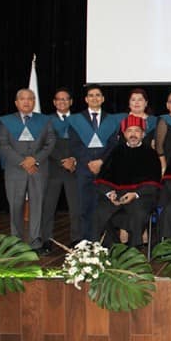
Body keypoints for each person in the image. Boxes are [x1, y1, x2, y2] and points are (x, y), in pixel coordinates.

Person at [0, 88, 56, 251]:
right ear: (16, 102)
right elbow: (4, 145)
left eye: (30, 99)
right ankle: (16, 242)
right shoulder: (5, 121)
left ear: (34, 102)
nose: (27, 102)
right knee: (15, 206)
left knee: (38, 205)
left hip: (39, 168)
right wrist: (23, 162)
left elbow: (50, 142)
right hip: (15, 170)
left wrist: (34, 159)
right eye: (23, 99)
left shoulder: (45, 120)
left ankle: (36, 241)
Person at [93, 116, 162, 247]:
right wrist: (109, 193)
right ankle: (111, 247)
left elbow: (154, 182)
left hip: (140, 197)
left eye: (137, 131)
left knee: (139, 212)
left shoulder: (151, 154)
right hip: (116, 196)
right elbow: (103, 177)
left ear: (143, 134)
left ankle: (134, 248)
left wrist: (135, 194)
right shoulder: (116, 151)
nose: (133, 134)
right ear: (124, 134)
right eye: (129, 131)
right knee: (100, 212)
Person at [68, 84, 121, 241]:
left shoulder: (111, 120)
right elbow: (74, 144)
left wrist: (101, 162)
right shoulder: (76, 120)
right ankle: (86, 242)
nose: (94, 98)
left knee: (105, 206)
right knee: (85, 207)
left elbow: (113, 144)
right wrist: (89, 162)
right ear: (86, 99)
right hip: (84, 169)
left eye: (98, 95)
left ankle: (104, 241)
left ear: (103, 99)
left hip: (105, 169)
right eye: (91, 95)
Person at [42, 87, 80, 252]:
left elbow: (82, 142)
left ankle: (77, 240)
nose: (62, 102)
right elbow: (45, 143)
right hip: (53, 168)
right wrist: (61, 161)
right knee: (48, 207)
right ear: (54, 102)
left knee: (76, 207)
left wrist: (73, 159)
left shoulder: (79, 120)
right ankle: (46, 241)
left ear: (71, 102)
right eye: (59, 99)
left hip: (74, 169)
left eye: (66, 99)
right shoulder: (47, 120)